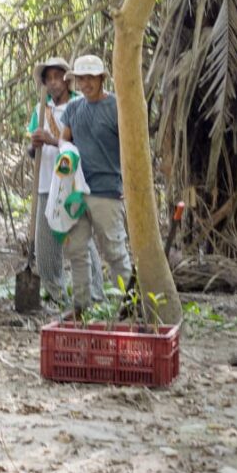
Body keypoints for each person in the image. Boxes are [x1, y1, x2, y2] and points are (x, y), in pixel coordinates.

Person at [59, 54, 133, 317]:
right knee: (77, 251)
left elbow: (130, 146)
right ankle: (81, 306)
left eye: (91, 77)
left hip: (107, 191)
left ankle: (128, 305)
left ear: (102, 79)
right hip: (77, 192)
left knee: (114, 250)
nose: (86, 83)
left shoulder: (116, 106)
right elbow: (65, 143)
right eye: (81, 78)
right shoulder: (73, 109)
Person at [27, 58, 104, 307]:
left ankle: (94, 294)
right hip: (45, 181)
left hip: (72, 184)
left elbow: (82, 144)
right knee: (46, 243)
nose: (53, 82)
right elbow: (31, 151)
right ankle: (56, 293)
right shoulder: (40, 111)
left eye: (57, 77)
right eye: (48, 78)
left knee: (80, 238)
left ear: (67, 79)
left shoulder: (80, 106)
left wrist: (50, 140)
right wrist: (34, 145)